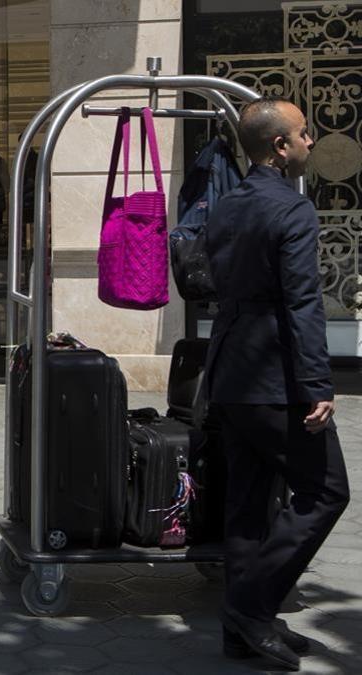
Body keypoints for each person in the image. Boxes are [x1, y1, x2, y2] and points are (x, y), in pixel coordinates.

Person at [205, 96, 349, 672]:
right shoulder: (291, 210)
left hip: (229, 374)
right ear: (279, 147)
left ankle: (245, 631)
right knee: (325, 493)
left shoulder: (226, 207)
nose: (311, 142)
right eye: (302, 134)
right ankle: (247, 609)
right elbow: (303, 303)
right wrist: (317, 382)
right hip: (274, 378)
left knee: (246, 505)